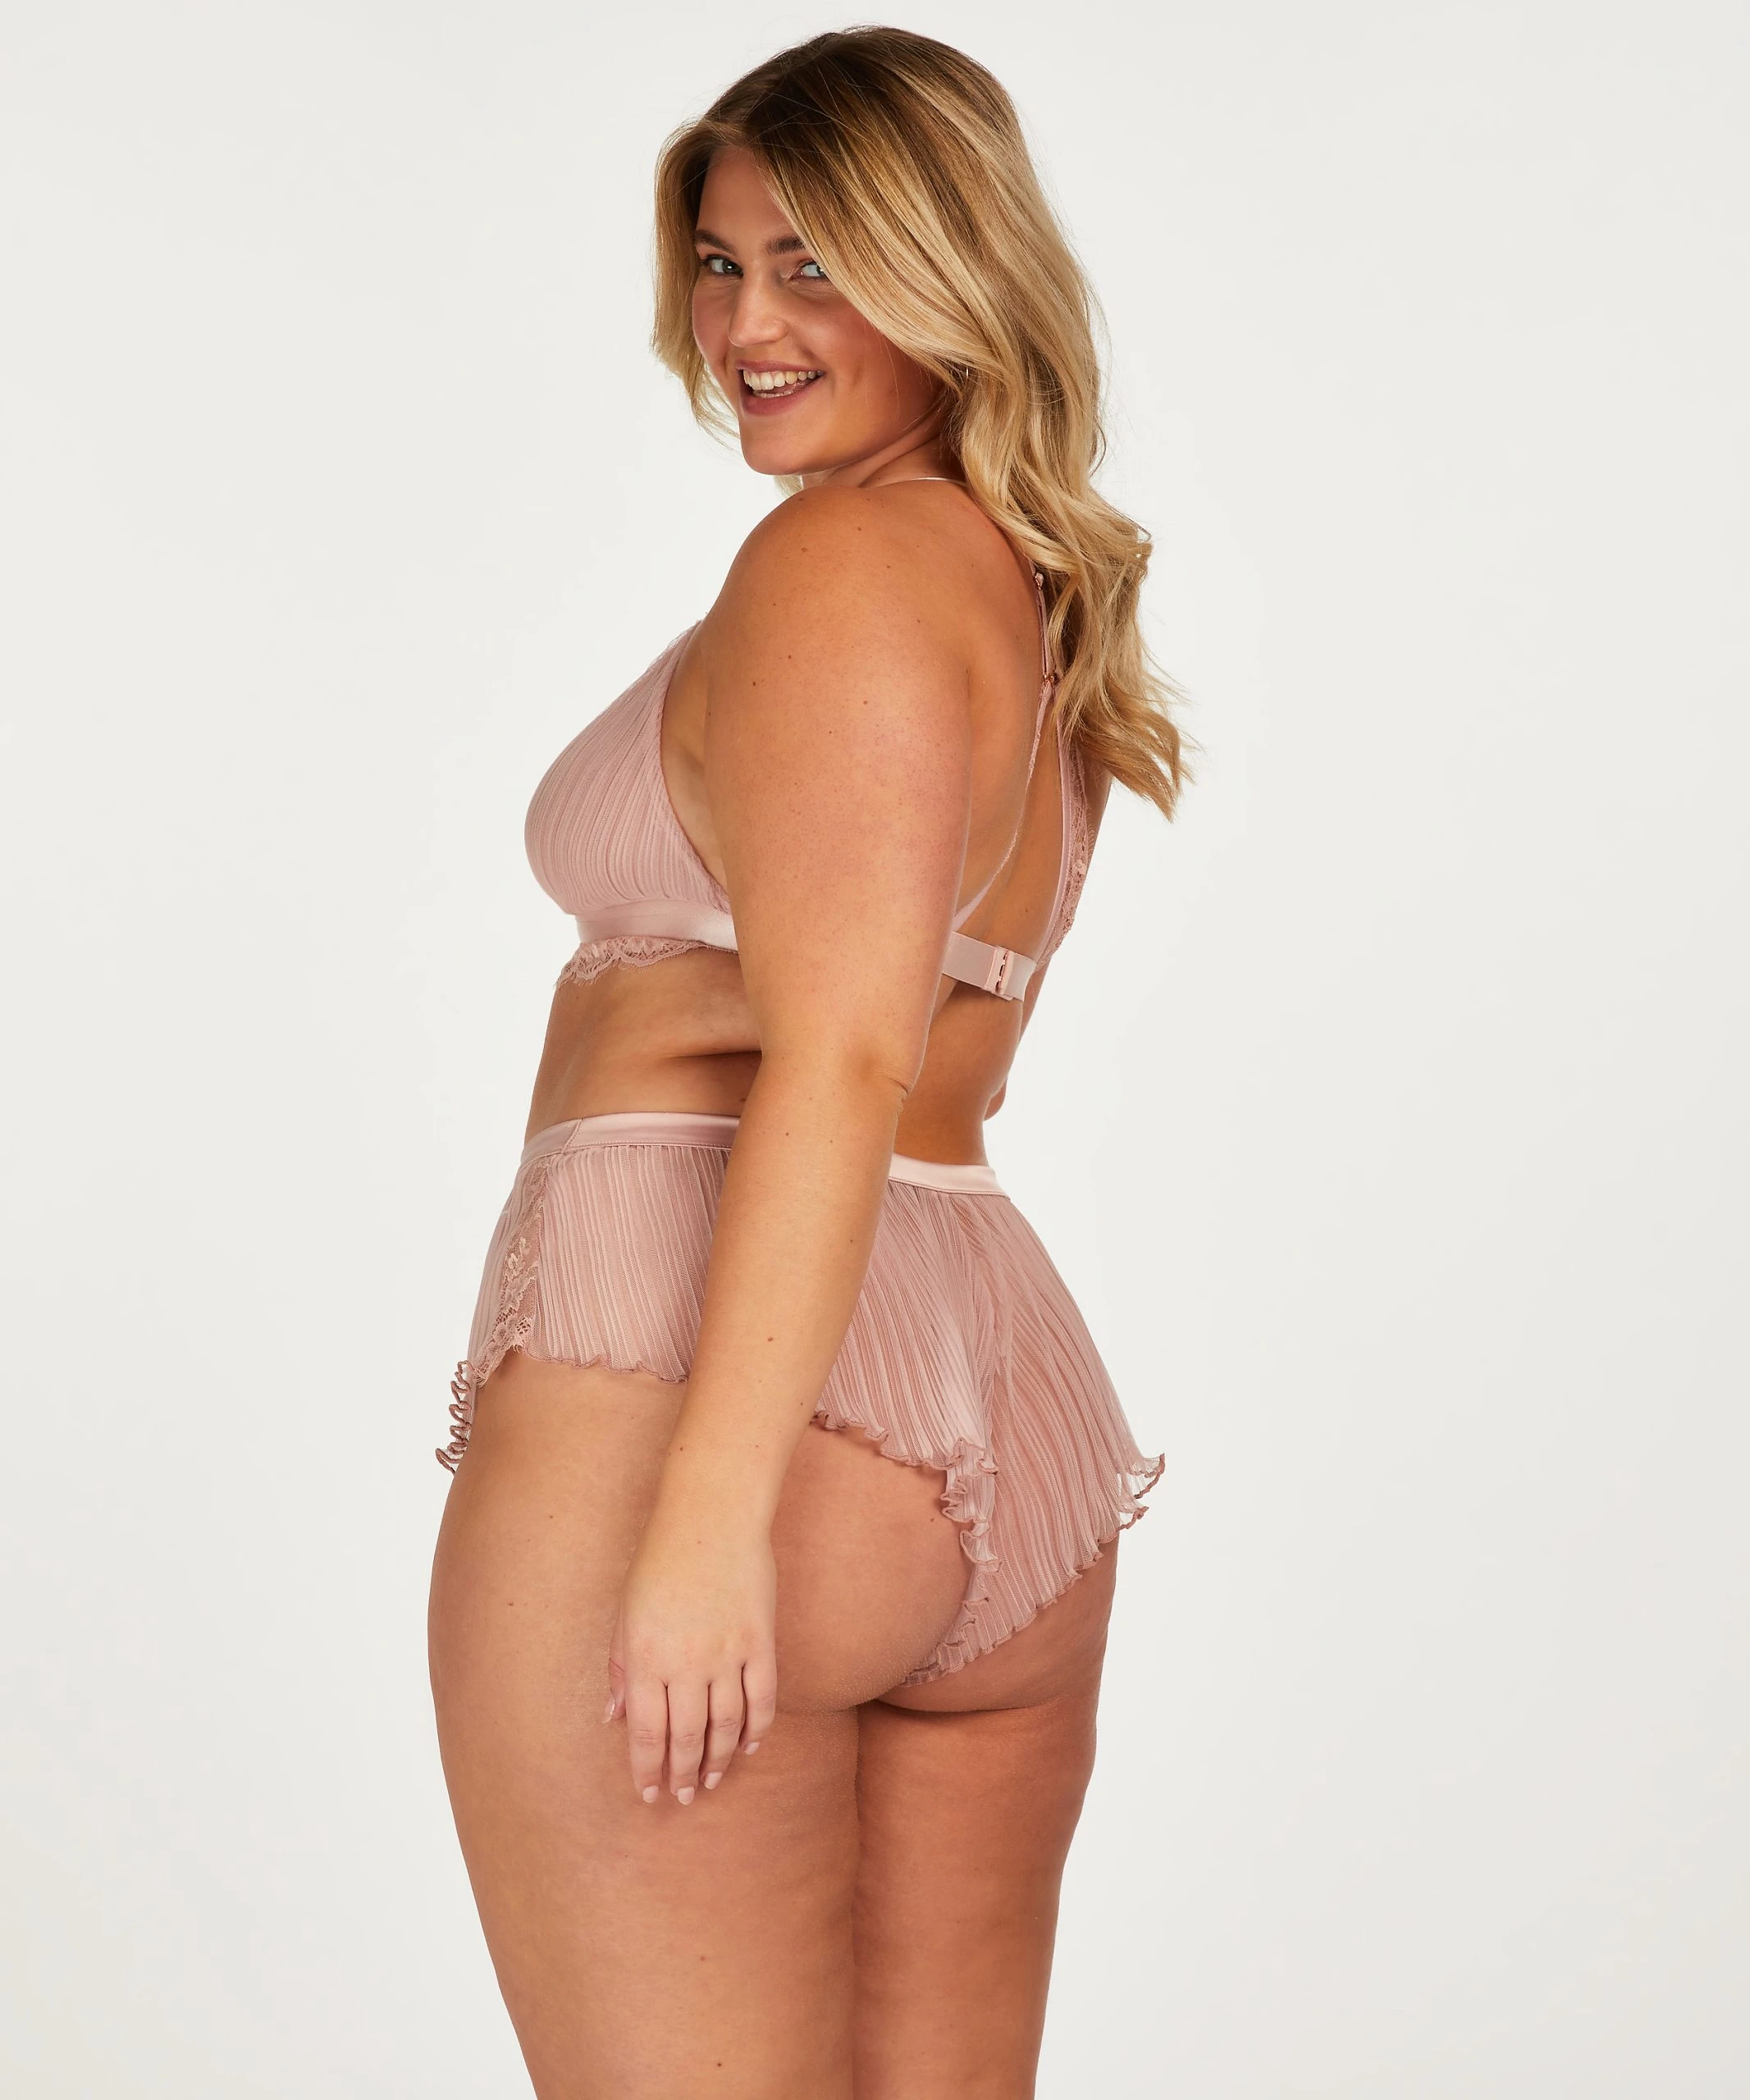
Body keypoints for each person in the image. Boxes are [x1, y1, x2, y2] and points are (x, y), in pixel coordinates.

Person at [427, 26, 1188, 2098]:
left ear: (954, 271)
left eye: (816, 266)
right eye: (720, 262)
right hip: (984, 1389)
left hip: (726, 1385)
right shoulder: (1019, 593)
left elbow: (843, 1055)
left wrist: (706, 1522)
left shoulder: (840, 565)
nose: (747, 326)